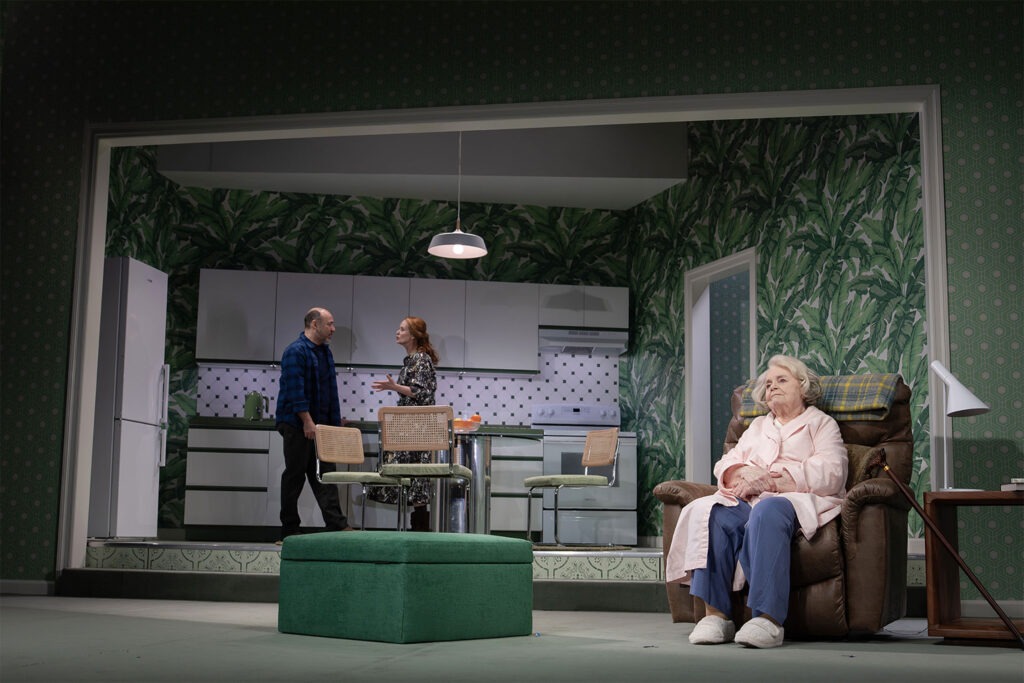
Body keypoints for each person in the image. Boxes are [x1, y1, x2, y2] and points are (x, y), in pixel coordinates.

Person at [665, 354, 847, 649]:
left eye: (781, 380)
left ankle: (768, 619)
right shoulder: (759, 426)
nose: (772, 386)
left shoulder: (821, 424)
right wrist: (744, 472)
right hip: (748, 496)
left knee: (767, 510)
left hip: (794, 497)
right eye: (768, 383)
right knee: (713, 513)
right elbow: (727, 462)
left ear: (803, 387)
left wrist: (773, 481)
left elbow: (832, 471)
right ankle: (716, 616)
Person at [274, 307, 353, 541]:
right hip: (297, 424)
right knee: (295, 476)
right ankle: (289, 530)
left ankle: (336, 525)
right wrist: (307, 421)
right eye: (330, 324)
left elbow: (329, 391)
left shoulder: (325, 352)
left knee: (325, 475)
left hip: (319, 426)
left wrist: (334, 423)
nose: (333, 329)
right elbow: (295, 391)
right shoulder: (295, 351)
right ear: (314, 324)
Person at [369, 316, 439, 531]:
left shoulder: (421, 359)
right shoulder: (412, 360)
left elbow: (421, 392)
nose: (397, 332)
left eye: (402, 329)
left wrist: (394, 387)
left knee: (416, 476)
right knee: (412, 477)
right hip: (410, 426)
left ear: (414, 335)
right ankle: (418, 530)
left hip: (417, 428)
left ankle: (420, 530)